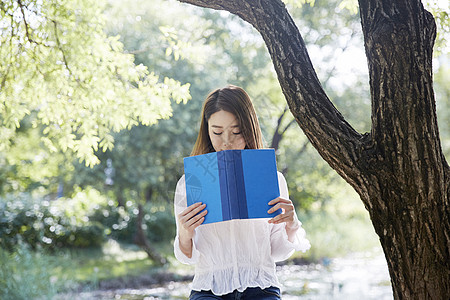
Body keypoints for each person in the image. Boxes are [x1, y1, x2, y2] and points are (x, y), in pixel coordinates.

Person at [173, 85, 310, 299]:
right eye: (217, 132)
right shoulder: (190, 182)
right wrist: (184, 233)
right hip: (209, 289)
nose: (226, 141)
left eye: (236, 132)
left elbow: (278, 252)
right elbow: (186, 257)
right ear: (207, 131)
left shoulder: (272, 179)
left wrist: (291, 225)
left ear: (249, 128)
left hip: (261, 287)